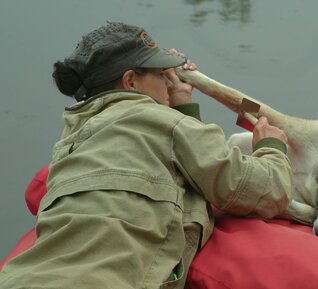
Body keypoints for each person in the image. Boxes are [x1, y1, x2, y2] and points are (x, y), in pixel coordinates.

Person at [0, 22, 293, 289]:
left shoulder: (71, 137)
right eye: (160, 74)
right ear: (131, 82)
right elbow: (263, 192)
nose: (169, 82)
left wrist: (179, 106)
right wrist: (271, 148)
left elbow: (162, 160)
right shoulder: (164, 123)